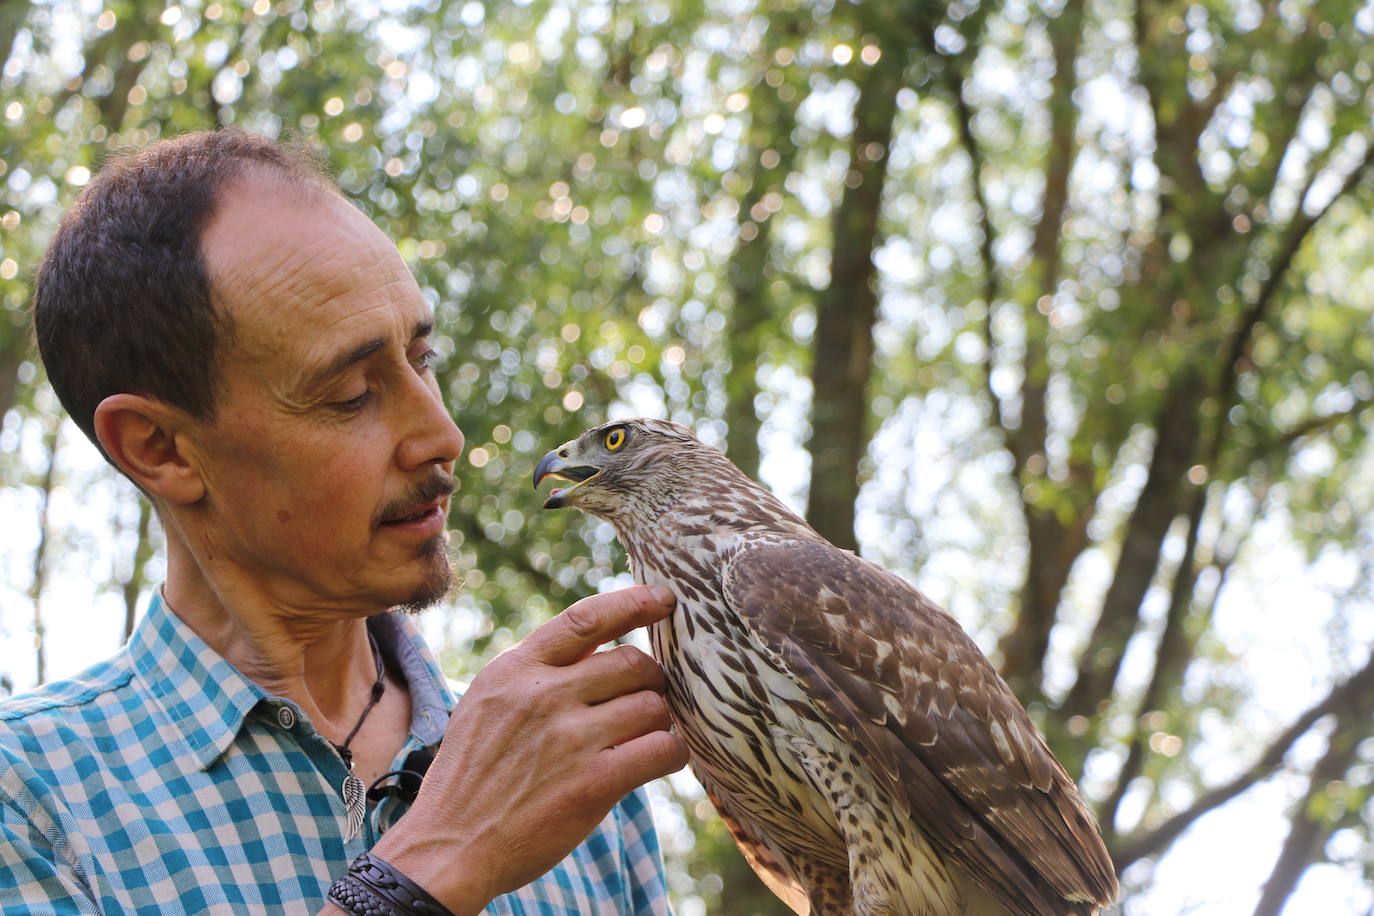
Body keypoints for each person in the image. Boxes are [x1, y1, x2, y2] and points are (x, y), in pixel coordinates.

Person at [0, 129, 690, 915]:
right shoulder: (29, 799)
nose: (442, 436)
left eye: (421, 359)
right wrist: (430, 866)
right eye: (351, 396)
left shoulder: (583, 775)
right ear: (160, 449)